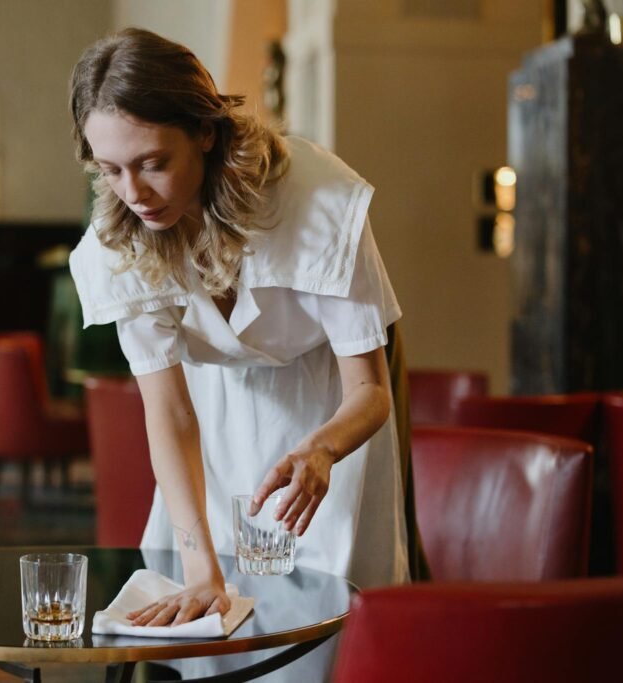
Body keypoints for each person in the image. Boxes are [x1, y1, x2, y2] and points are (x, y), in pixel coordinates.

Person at [68, 27, 410, 633]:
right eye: (112, 169)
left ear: (205, 130)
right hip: (209, 421)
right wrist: (201, 568)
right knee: (206, 616)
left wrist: (322, 448)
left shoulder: (317, 201)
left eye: (153, 163)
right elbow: (169, 414)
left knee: (324, 625)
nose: (135, 193)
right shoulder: (116, 237)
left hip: (329, 414)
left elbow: (372, 390)